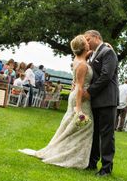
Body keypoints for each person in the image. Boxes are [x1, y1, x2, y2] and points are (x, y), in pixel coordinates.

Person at [20, 34, 94, 169]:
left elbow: (83, 59)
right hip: (80, 98)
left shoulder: (77, 59)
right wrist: (78, 107)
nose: (88, 43)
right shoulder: (82, 64)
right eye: (86, 42)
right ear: (83, 46)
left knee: (71, 127)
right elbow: (79, 86)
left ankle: (65, 152)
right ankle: (71, 157)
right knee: (83, 127)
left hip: (75, 96)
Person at [84, 30, 119, 176]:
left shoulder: (108, 52)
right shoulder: (92, 55)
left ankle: (106, 168)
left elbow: (106, 76)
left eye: (88, 39)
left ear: (97, 37)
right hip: (97, 101)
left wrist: (90, 91)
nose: (86, 42)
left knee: (106, 135)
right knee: (95, 133)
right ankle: (92, 163)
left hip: (107, 100)